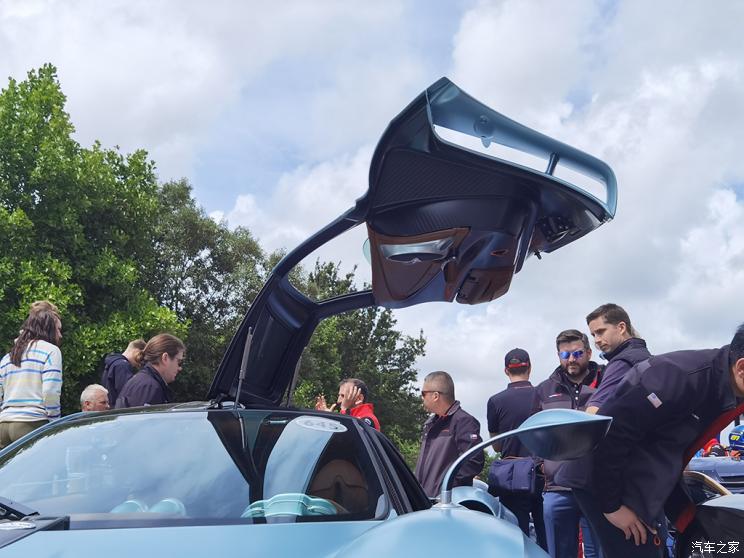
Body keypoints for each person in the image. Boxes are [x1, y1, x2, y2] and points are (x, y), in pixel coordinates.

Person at [574, 323, 744, 558]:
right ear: (741, 367)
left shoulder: (728, 388)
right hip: (605, 480)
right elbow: (613, 434)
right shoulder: (677, 377)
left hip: (650, 480)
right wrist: (611, 507)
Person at [536, 329, 602, 558]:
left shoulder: (606, 382)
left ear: (589, 353)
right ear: (559, 356)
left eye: (577, 353)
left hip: (598, 486)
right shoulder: (544, 390)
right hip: (557, 487)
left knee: (600, 553)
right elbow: (535, 432)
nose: (571, 359)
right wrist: (541, 464)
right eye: (565, 354)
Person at [486, 348, 546, 550]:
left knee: (516, 537)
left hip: (512, 476)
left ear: (506, 370)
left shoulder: (495, 401)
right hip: (542, 473)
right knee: (545, 534)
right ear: (530, 367)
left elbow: (497, 445)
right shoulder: (542, 395)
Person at [0, 303, 63, 448]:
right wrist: (55, 423)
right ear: (48, 329)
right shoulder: (51, 351)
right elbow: (50, 392)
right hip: (31, 424)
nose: (60, 335)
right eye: (58, 329)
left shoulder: (8, 357)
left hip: (3, 426)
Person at [414, 371, 484, 498]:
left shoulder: (464, 421)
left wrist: (447, 488)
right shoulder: (429, 423)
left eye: (423, 394)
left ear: (435, 396)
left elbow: (473, 460)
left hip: (446, 502)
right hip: (425, 500)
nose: (422, 398)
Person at [585, 304, 651, 414]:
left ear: (621, 328)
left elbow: (593, 413)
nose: (596, 340)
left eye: (600, 332)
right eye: (593, 335)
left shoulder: (623, 362)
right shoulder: (643, 355)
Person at [114, 334, 185, 408]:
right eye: (179, 362)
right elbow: (143, 415)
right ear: (165, 358)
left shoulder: (143, 382)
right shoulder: (149, 387)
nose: (180, 368)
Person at [315, 378, 380, 430]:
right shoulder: (350, 416)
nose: (338, 401)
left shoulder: (367, 419)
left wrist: (344, 409)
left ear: (359, 398)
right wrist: (328, 419)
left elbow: (348, 436)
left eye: (343, 396)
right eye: (339, 396)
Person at [101, 339, 146, 407]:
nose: (140, 363)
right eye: (141, 357)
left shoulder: (113, 363)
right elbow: (127, 392)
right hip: (119, 409)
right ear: (137, 351)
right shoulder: (123, 365)